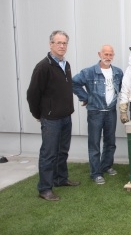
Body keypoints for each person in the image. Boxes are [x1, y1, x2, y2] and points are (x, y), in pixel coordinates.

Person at [27, 30, 80, 201]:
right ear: (51, 44)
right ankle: (45, 188)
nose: (62, 46)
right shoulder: (43, 67)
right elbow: (32, 94)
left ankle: (60, 179)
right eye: (58, 43)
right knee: (48, 154)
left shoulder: (66, 65)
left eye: (64, 43)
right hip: (51, 119)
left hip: (65, 117)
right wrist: (39, 114)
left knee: (62, 151)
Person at [72, 45, 123, 185]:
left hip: (111, 111)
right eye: (105, 54)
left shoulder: (118, 72)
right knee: (94, 143)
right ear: (99, 54)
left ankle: (106, 166)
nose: (108, 57)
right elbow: (74, 83)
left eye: (110, 54)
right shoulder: (89, 72)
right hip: (95, 112)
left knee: (110, 142)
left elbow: (123, 89)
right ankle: (95, 173)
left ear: (113, 55)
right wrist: (85, 98)